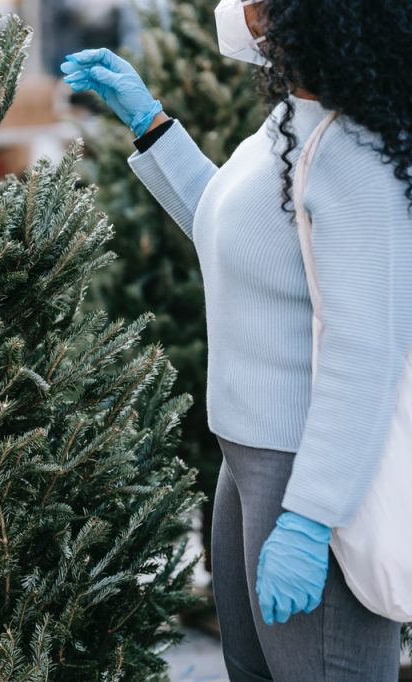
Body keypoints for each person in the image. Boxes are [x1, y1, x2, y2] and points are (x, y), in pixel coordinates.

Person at [61, 0, 411, 679]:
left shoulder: (359, 156)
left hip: (308, 480)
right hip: (247, 464)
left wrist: (311, 521)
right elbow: (234, 239)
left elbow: (364, 354)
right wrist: (151, 125)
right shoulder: (293, 121)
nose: (241, 9)